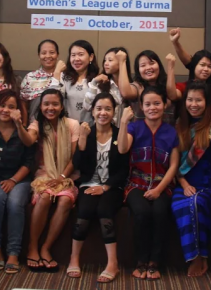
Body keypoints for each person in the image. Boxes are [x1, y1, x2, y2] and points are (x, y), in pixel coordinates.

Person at [118, 87, 180, 281]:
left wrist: (159, 190)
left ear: (164, 105)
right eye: (147, 104)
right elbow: (122, 149)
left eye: (157, 103)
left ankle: (155, 262)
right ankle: (141, 261)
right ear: (141, 107)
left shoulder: (171, 131)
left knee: (161, 212)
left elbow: (174, 165)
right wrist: (123, 122)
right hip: (136, 184)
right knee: (142, 212)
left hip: (163, 186)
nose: (152, 107)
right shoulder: (134, 128)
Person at [67, 93, 130, 283]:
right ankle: (74, 258)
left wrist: (105, 187)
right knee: (84, 210)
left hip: (113, 187)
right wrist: (83, 142)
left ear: (114, 112)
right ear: (92, 111)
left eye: (108, 109)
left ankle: (112, 263)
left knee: (104, 210)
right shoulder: (87, 132)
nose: (103, 113)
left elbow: (123, 169)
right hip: (89, 183)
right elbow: (78, 165)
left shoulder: (121, 134)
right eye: (99, 108)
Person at [171, 82, 211, 277]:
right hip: (183, 184)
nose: (193, 104)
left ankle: (200, 257)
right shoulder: (180, 126)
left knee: (197, 203)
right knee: (183, 205)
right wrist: (184, 184)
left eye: (199, 100)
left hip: (207, 186)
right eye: (190, 99)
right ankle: (196, 257)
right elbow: (174, 165)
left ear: (207, 102)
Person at [0, 89, 34, 275]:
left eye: (11, 107)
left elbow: (29, 162)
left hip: (20, 179)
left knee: (15, 203)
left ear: (18, 110)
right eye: (2, 106)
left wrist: (13, 180)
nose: (5, 110)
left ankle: (13, 253)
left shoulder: (23, 132)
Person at [25, 89, 80, 272]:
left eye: (55, 104)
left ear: (62, 106)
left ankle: (46, 247)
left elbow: (74, 157)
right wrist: (19, 124)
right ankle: (32, 246)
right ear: (40, 107)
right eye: (46, 104)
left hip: (67, 176)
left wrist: (62, 177)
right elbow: (27, 141)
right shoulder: (36, 125)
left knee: (65, 200)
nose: (51, 108)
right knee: (45, 197)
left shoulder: (72, 125)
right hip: (44, 175)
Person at [117, 50, 174, 124]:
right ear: (138, 70)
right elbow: (125, 93)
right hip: (141, 134)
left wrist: (170, 67)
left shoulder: (168, 85)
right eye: (143, 65)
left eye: (151, 63)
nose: (148, 68)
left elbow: (173, 95)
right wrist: (122, 62)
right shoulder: (138, 86)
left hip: (167, 133)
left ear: (159, 65)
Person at [49, 40, 99, 124]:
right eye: (73, 55)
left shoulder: (97, 80)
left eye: (80, 54)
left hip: (90, 128)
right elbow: (52, 99)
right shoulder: (63, 77)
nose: (76, 59)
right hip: (66, 127)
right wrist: (57, 72)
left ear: (91, 57)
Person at [83, 47, 129, 126]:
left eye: (110, 60)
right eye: (105, 60)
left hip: (126, 132)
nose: (106, 63)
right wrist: (94, 82)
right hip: (104, 131)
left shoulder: (130, 86)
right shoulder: (101, 84)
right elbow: (87, 106)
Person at [20, 39, 60, 119]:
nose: (48, 56)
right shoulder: (30, 77)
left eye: (52, 52)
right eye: (43, 53)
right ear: (39, 56)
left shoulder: (65, 76)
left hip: (60, 126)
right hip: (35, 126)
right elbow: (23, 103)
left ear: (57, 55)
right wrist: (24, 124)